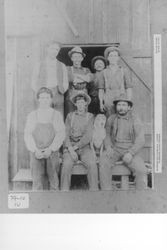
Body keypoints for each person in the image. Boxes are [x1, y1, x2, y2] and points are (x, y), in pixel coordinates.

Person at [99, 93, 147, 191]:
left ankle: (140, 197)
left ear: (129, 107)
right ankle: (106, 194)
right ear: (116, 107)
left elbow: (141, 139)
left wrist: (131, 153)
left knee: (141, 170)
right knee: (103, 163)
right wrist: (108, 147)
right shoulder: (111, 119)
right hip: (115, 149)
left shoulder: (135, 119)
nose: (121, 108)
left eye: (124, 105)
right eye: (119, 105)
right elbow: (107, 135)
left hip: (130, 150)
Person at [24, 87, 65, 190]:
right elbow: (27, 134)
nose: (44, 100)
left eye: (47, 98)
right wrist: (35, 150)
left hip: (52, 152)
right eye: (42, 98)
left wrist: (51, 149)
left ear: (51, 99)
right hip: (36, 152)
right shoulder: (32, 115)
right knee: (37, 183)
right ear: (38, 99)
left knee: (54, 183)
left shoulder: (56, 115)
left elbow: (60, 134)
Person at [61, 91, 98, 191]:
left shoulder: (90, 116)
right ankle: (64, 193)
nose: (80, 105)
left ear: (86, 103)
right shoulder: (70, 116)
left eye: (82, 102)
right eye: (78, 103)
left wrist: (76, 147)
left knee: (92, 164)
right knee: (66, 165)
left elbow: (88, 136)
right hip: (70, 147)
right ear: (75, 104)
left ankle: (95, 193)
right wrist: (70, 149)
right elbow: (65, 133)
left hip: (84, 147)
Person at [32, 41, 68, 116]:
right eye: (52, 49)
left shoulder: (62, 65)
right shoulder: (39, 64)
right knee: (43, 116)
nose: (54, 51)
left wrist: (62, 90)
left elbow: (65, 81)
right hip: (44, 93)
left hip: (58, 92)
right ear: (47, 49)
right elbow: (33, 80)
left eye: (56, 50)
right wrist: (39, 92)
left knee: (58, 115)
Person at [98, 46, 133, 116]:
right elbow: (101, 89)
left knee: (121, 119)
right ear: (107, 58)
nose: (113, 58)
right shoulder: (103, 72)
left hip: (121, 98)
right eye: (111, 56)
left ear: (118, 58)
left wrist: (129, 101)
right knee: (109, 119)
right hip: (108, 100)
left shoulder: (124, 71)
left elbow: (129, 88)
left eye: (115, 55)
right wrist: (101, 102)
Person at [65, 46, 93, 116]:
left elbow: (89, 79)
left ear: (82, 58)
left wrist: (77, 76)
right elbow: (70, 79)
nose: (77, 59)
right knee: (71, 114)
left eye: (79, 57)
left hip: (84, 95)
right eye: (74, 57)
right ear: (71, 58)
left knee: (83, 114)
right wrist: (83, 78)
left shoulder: (86, 69)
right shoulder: (68, 69)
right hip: (71, 94)